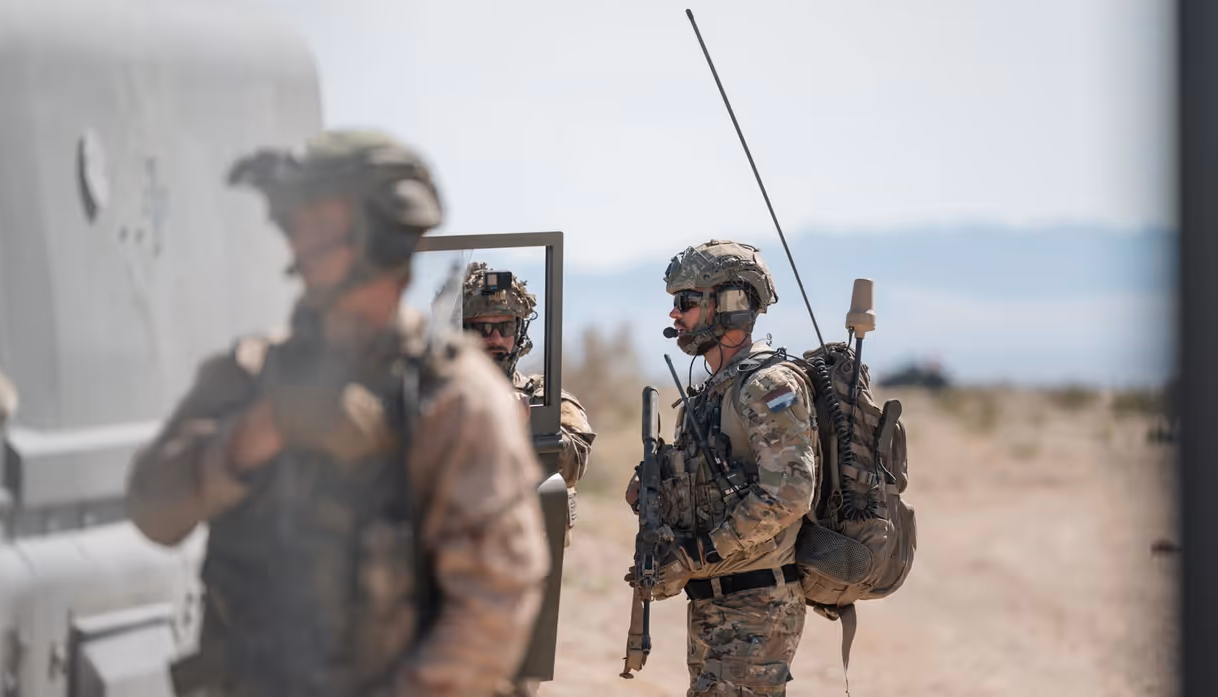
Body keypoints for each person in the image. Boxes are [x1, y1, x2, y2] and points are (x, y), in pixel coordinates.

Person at [125, 129, 550, 697]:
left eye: (318, 223)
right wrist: (255, 434)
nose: (297, 240)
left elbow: (494, 605)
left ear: (377, 238)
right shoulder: (251, 376)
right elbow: (153, 510)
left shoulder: (456, 401)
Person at [625, 240, 819, 696]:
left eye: (687, 302)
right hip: (718, 602)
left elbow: (789, 492)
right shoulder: (713, 391)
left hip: (756, 604)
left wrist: (697, 555)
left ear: (729, 304)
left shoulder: (768, 385)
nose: (676, 315)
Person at [460, 262, 595, 491]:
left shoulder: (545, 399)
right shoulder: (436, 399)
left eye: (506, 328)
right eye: (481, 328)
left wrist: (525, 425)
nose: (496, 339)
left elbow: (574, 466)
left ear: (519, 331)